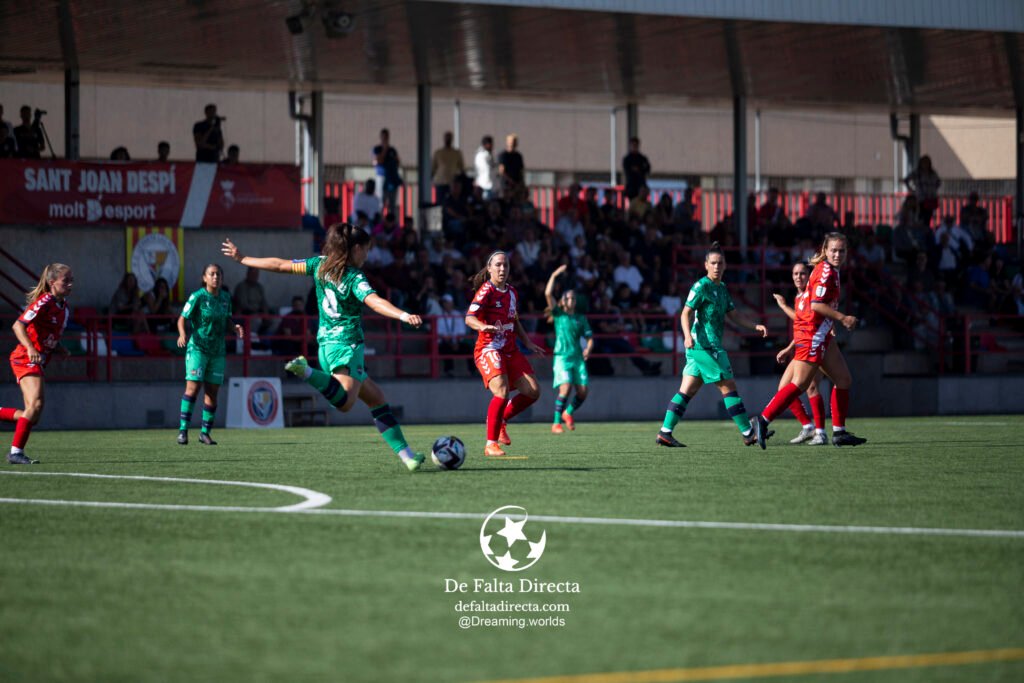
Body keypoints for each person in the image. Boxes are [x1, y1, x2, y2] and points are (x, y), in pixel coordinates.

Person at [221, 224, 427, 471]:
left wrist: (243, 258)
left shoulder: (320, 264)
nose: (367, 256)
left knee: (377, 399)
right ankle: (305, 371)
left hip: (325, 346)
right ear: (356, 249)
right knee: (345, 404)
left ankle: (408, 457)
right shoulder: (353, 277)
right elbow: (374, 301)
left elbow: (280, 265)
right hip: (346, 346)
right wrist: (403, 315)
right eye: (367, 250)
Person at [752, 232, 868, 448]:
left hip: (820, 334)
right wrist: (843, 318)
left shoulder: (830, 270)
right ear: (825, 249)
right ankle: (763, 420)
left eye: (842, 250)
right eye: (833, 250)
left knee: (843, 380)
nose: (837, 254)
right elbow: (816, 305)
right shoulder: (826, 272)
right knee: (801, 384)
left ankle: (839, 433)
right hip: (812, 335)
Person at [656, 243, 768, 448]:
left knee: (687, 391)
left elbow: (733, 315)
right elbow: (685, 313)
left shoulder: (722, 288)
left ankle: (665, 432)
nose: (717, 266)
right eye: (713, 263)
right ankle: (748, 432)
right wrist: (686, 337)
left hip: (706, 348)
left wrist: (755, 326)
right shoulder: (701, 286)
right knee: (728, 385)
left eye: (720, 263)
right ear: (706, 264)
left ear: (725, 266)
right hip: (705, 347)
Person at [465, 251, 545, 457]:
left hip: (510, 349)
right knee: (501, 391)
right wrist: (484, 326)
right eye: (498, 265)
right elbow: (469, 318)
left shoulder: (512, 292)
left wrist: (527, 341)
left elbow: (514, 319)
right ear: (489, 268)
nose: (502, 269)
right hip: (489, 348)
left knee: (533, 391)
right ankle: (490, 443)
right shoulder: (486, 291)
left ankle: (501, 420)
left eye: (506, 266)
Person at [0, 264, 74, 464]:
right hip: (25, 356)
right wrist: (31, 349)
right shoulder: (44, 301)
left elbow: (46, 333)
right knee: (37, 403)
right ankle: (15, 453)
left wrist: (59, 347)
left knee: (32, 415)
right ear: (52, 283)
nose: (70, 284)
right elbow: (18, 325)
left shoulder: (64, 307)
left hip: (35, 359)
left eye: (71, 280)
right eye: (65, 280)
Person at [175, 264, 243, 446]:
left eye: (218, 274)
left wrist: (234, 327)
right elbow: (182, 318)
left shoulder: (226, 298)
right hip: (198, 348)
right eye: (212, 274)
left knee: (212, 393)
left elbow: (227, 320)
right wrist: (182, 334)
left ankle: (205, 433)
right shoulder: (197, 296)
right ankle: (183, 431)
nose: (216, 277)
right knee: (193, 388)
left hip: (218, 351)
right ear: (204, 278)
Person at [771, 262, 828, 445]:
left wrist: (782, 306)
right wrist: (789, 349)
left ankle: (821, 432)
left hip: (815, 346)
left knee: (812, 387)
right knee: (783, 389)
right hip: (802, 348)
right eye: (795, 273)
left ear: (808, 275)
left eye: (802, 273)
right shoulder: (799, 297)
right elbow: (801, 324)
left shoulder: (812, 293)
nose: (798, 277)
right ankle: (808, 426)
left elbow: (810, 325)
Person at [544, 265, 593, 434]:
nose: (571, 300)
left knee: (583, 392)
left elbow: (589, 338)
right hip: (562, 357)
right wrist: (554, 274)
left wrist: (588, 349)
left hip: (578, 357)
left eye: (573, 298)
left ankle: (568, 413)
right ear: (563, 301)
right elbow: (548, 294)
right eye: (568, 298)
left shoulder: (581, 318)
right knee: (565, 388)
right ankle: (556, 423)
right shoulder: (558, 315)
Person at [904, 155, 941, 228]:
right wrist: (911, 189)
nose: (925, 164)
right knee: (920, 216)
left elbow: (938, 182)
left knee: (928, 216)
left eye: (927, 162)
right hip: (921, 199)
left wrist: (933, 190)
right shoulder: (917, 173)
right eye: (924, 162)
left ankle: (926, 228)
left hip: (930, 198)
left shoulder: (933, 173)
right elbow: (906, 180)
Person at [372, 128, 403, 217]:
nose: (385, 138)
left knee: (392, 203)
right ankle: (380, 221)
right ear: (380, 137)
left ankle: (392, 222)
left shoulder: (392, 150)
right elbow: (379, 161)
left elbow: (398, 162)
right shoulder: (377, 149)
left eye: (387, 136)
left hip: (392, 179)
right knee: (381, 202)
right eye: (383, 136)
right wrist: (384, 149)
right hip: (382, 177)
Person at [431, 131, 465, 205]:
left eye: (449, 138)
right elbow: (433, 168)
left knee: (452, 204)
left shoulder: (456, 153)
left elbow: (462, 168)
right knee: (439, 203)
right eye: (446, 138)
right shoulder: (438, 153)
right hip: (440, 183)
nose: (448, 139)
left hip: (452, 184)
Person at [497, 134, 524, 200]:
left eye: (514, 142)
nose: (512, 144)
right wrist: (511, 182)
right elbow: (501, 171)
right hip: (506, 186)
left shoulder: (518, 156)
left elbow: (521, 171)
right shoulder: (503, 155)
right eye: (511, 142)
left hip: (517, 187)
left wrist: (520, 184)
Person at [474, 135, 497, 200]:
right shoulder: (483, 155)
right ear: (487, 144)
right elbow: (489, 169)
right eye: (491, 144)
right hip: (485, 186)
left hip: (488, 186)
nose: (492, 146)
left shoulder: (487, 154)